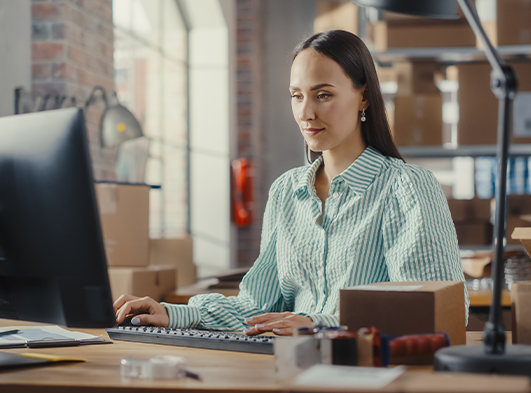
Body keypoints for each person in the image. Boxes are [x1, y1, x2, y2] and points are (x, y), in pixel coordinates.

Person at [113, 30, 468, 336]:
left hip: (368, 372)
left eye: (323, 95)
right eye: (297, 95)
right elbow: (258, 306)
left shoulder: (405, 188)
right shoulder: (287, 191)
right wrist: (173, 313)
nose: (305, 113)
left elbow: (431, 312)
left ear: (363, 96)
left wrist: (317, 325)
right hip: (289, 367)